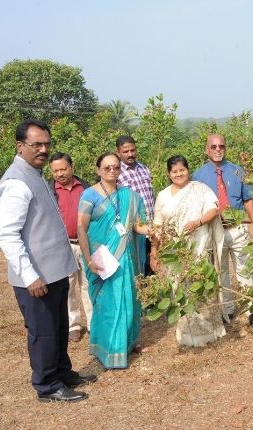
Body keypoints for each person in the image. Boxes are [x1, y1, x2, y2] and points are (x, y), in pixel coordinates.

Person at [0, 118, 95, 403]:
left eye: (46, 144)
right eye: (36, 144)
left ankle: (62, 371)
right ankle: (47, 385)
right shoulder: (16, 183)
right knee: (43, 332)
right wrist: (29, 276)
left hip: (54, 272)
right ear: (20, 146)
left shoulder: (35, 175)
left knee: (60, 326)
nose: (43, 150)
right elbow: (7, 235)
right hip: (36, 277)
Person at [77, 152, 151, 369]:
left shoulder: (130, 196)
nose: (112, 171)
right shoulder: (89, 196)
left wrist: (155, 231)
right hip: (102, 262)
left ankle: (127, 343)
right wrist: (88, 259)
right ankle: (108, 348)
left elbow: (137, 226)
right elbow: (81, 228)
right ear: (98, 169)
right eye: (107, 167)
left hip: (126, 261)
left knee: (129, 301)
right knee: (107, 304)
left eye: (116, 167)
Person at [153, 155, 226, 346]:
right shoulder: (163, 195)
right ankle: (187, 334)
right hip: (174, 251)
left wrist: (198, 222)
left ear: (188, 170)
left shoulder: (200, 189)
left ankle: (209, 332)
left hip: (199, 246)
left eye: (182, 170)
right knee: (180, 288)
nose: (179, 174)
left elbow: (213, 210)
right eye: (174, 171)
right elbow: (158, 225)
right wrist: (155, 250)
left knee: (202, 286)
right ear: (169, 174)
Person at [192, 134, 253, 326]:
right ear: (207, 149)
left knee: (245, 270)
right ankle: (228, 310)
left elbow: (248, 199)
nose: (217, 149)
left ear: (226, 147)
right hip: (215, 231)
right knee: (220, 272)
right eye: (213, 146)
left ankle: (252, 310)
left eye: (221, 146)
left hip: (239, 229)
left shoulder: (238, 171)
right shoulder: (197, 176)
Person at [48, 152, 92, 342]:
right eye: (55, 171)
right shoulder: (49, 191)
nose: (59, 174)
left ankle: (93, 323)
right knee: (67, 286)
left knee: (89, 284)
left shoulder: (86, 188)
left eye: (63, 169)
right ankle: (73, 324)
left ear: (71, 167)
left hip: (87, 243)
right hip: (64, 246)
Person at [115, 135, 154, 275]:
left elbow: (150, 196)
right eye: (126, 151)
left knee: (152, 267)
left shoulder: (144, 169)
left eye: (133, 150)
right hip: (132, 230)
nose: (130, 154)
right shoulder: (116, 174)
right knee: (136, 269)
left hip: (150, 228)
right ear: (118, 153)